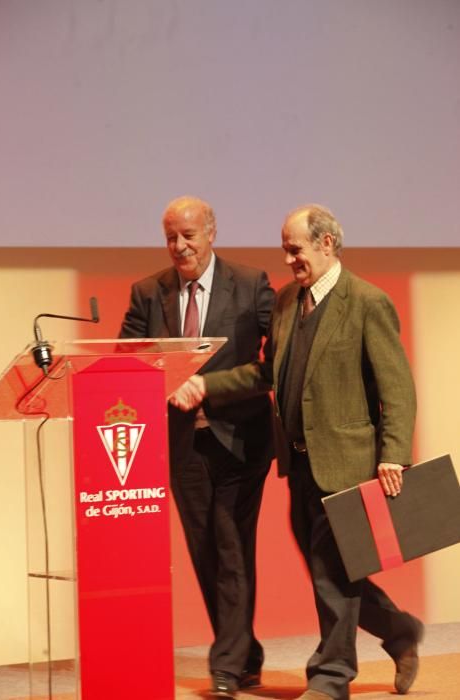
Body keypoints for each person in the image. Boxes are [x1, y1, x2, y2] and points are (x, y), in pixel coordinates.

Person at [170, 204, 424, 700]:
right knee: (328, 567)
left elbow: (398, 387)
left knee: (331, 569)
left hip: (349, 460)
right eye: (285, 249)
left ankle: (331, 677)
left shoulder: (368, 302)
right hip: (300, 460)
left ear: (326, 244)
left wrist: (394, 453)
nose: (288, 259)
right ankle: (399, 631)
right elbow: (267, 374)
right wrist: (206, 384)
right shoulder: (288, 302)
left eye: (296, 249)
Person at [119, 195, 275, 698]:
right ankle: (244, 653)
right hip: (182, 441)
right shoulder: (148, 293)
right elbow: (129, 360)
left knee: (230, 544)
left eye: (188, 235)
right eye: (170, 237)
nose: (179, 246)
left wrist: (211, 386)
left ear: (211, 232)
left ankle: (226, 664)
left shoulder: (251, 285)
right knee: (205, 548)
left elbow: (273, 364)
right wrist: (167, 383)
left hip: (241, 440)